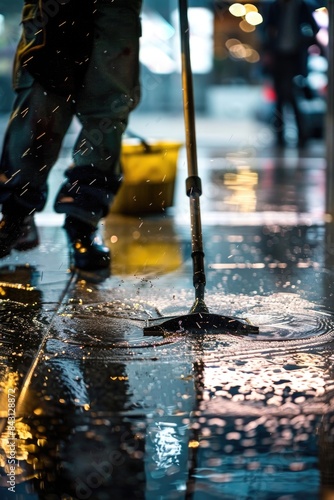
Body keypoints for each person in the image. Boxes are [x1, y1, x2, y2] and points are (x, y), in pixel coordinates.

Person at [0, 0, 143, 270]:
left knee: (105, 113)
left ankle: (82, 224)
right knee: (38, 110)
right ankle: (16, 214)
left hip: (114, 8)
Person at [263, 0, 319, 147]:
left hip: (295, 58)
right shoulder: (274, 6)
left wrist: (304, 42)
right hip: (278, 57)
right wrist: (268, 52)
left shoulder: (303, 6)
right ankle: (283, 136)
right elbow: (266, 30)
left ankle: (298, 135)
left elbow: (314, 28)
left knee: (289, 95)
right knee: (282, 97)